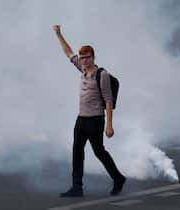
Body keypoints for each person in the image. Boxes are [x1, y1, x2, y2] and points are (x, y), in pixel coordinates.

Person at [53, 25, 126, 197]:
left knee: (99, 151)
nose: (84, 60)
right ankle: (77, 186)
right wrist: (59, 34)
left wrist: (109, 125)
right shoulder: (82, 69)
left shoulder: (102, 74)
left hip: (96, 120)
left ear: (93, 58)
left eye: (87, 57)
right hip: (81, 119)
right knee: (77, 152)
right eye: (83, 58)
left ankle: (118, 178)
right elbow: (69, 53)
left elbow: (108, 100)